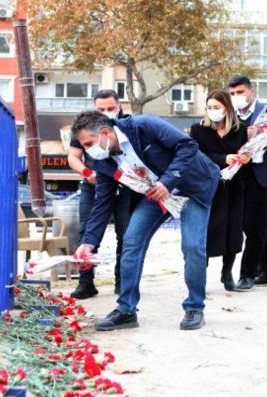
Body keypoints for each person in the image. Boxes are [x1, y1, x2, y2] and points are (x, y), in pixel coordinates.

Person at [71, 110, 219, 331]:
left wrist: (168, 182)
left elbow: (188, 146)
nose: (87, 151)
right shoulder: (103, 162)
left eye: (88, 143)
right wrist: (88, 242)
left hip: (191, 187)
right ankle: (126, 311)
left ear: (104, 133)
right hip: (154, 195)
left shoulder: (144, 126)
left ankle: (194, 307)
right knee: (131, 240)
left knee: (192, 246)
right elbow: (102, 203)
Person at [66, 89, 135, 299]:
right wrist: (88, 172)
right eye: (101, 109)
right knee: (88, 232)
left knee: (126, 235)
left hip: (126, 186)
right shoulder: (84, 129)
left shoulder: (128, 125)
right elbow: (73, 157)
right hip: (94, 185)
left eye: (111, 109)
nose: (106, 112)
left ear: (119, 106)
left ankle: (122, 282)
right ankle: (85, 283)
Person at [227, 76, 267, 290]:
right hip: (241, 176)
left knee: (253, 226)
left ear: (251, 92)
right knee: (255, 224)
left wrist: (264, 135)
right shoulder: (230, 115)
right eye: (233, 93)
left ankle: (248, 274)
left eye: (240, 92)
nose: (237, 97)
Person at [189, 90, 249, 292]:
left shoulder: (240, 130)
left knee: (233, 230)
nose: (213, 111)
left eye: (217, 107)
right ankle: (200, 274)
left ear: (227, 108)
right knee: (208, 230)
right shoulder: (199, 130)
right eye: (210, 107)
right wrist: (223, 159)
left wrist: (245, 159)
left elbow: (245, 153)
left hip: (234, 186)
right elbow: (197, 156)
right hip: (210, 186)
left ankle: (227, 273)